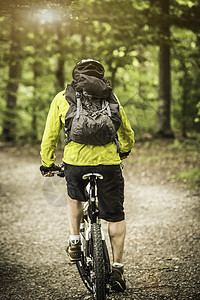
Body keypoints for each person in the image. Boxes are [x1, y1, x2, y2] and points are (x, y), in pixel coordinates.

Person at [40, 59, 135, 292]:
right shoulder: (110, 97)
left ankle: (74, 241)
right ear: (101, 76)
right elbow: (126, 130)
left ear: (76, 75)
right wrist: (124, 150)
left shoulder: (63, 97)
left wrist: (47, 163)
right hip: (109, 165)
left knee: (74, 197)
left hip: (75, 164)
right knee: (115, 216)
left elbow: (50, 135)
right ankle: (118, 269)